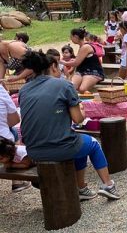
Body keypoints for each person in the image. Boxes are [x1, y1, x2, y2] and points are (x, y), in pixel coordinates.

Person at [19, 50, 119, 200]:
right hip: (59, 147)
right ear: (53, 66)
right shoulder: (64, 85)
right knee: (92, 143)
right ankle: (108, 185)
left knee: (78, 142)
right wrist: (83, 111)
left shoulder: (24, 89)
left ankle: (81, 188)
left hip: (33, 151)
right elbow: (78, 119)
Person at [0, 81, 29, 192]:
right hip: (3, 142)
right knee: (12, 131)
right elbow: (15, 120)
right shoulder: (1, 90)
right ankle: (16, 180)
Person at [62, 28, 105, 92]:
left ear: (76, 37)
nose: (70, 39)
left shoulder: (86, 47)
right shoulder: (82, 46)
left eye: (71, 37)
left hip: (93, 71)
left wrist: (63, 62)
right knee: (70, 88)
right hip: (81, 71)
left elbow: (76, 63)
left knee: (82, 89)